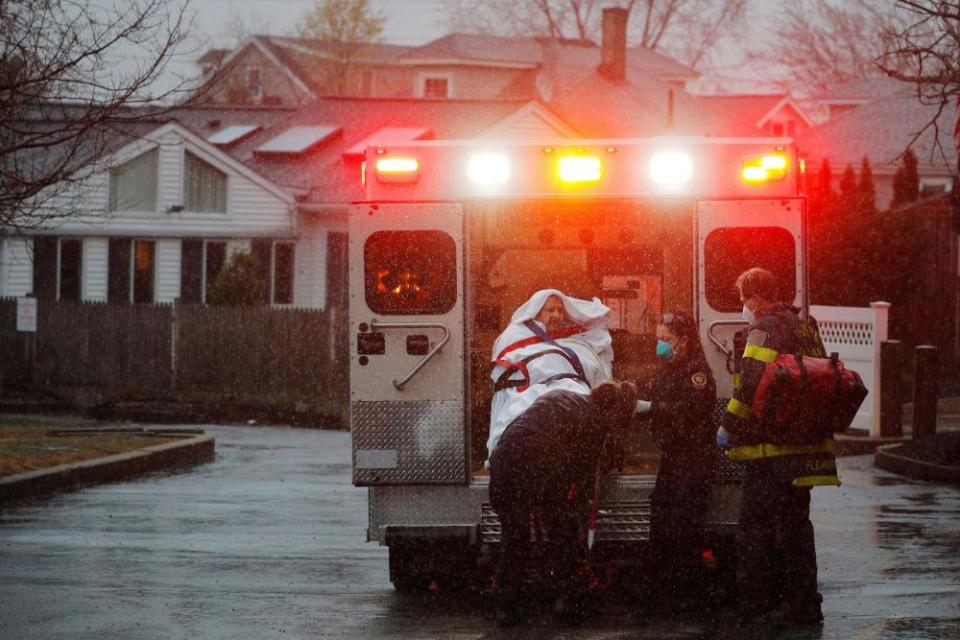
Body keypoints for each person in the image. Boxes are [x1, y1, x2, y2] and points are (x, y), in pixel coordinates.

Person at [719, 267, 838, 626]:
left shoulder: (765, 328)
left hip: (772, 447)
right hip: (805, 444)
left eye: (743, 299)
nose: (743, 306)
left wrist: (728, 425)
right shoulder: (806, 325)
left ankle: (756, 604)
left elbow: (751, 380)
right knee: (796, 526)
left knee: (753, 527)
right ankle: (804, 604)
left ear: (755, 297)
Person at [489, 380, 639, 626]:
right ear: (613, 411)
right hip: (535, 470)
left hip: (504, 463)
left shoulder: (561, 396)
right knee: (562, 533)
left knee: (514, 539)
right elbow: (580, 473)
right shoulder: (594, 422)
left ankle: (506, 607)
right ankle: (566, 601)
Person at [633, 310, 717, 614]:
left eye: (665, 339)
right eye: (658, 339)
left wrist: (652, 408)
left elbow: (691, 410)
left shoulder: (696, 372)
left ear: (683, 339)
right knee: (663, 515)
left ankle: (687, 594)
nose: (660, 344)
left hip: (693, 457)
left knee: (685, 524)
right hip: (674, 456)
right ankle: (664, 589)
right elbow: (657, 396)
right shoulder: (667, 367)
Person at [487, 289, 614, 463]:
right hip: (523, 387)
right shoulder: (517, 332)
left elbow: (596, 331)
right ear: (536, 310)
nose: (557, 315)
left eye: (560, 310)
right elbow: (510, 361)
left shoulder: (555, 335)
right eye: (550, 310)